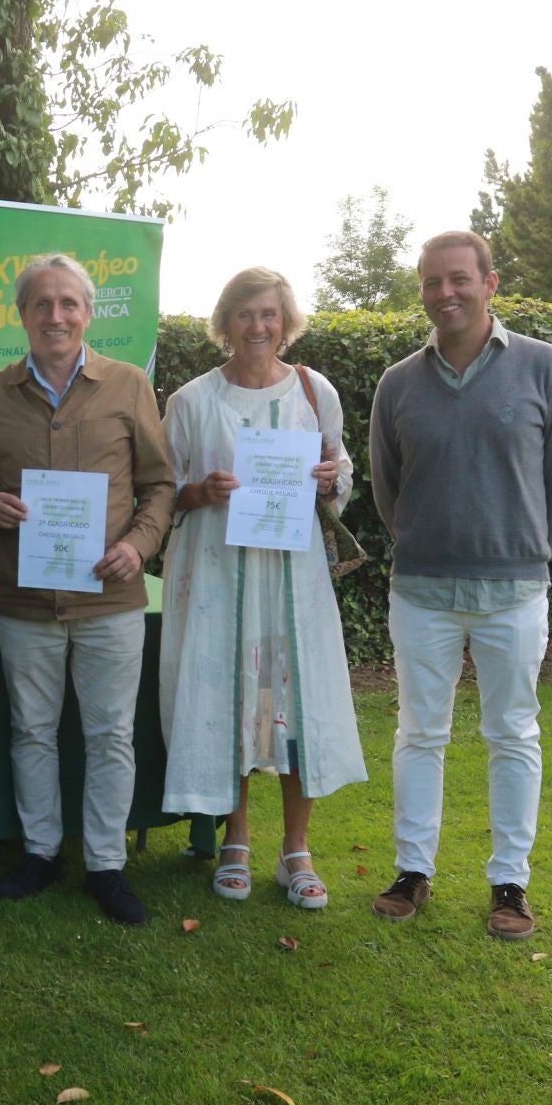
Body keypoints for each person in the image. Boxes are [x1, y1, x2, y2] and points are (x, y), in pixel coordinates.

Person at [368, 230, 552, 939]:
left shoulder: (543, 367)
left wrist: (525, 552)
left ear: (491, 284)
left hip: (514, 593)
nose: (445, 294)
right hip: (422, 591)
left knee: (513, 734)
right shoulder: (398, 383)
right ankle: (412, 869)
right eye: (432, 282)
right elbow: (386, 488)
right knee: (419, 733)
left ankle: (509, 884)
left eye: (459, 279)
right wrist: (425, 543)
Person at [0, 253, 176, 926]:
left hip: (109, 601)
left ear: (87, 313)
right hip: (24, 599)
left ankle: (107, 865)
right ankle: (42, 852)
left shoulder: (129, 385)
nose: (55, 315)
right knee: (32, 731)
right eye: (41, 304)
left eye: (68, 304)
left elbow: (160, 484)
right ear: (22, 315)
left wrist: (137, 548)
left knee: (111, 734)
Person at [157, 267, 368, 908]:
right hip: (219, 576)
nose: (258, 326)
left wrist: (333, 479)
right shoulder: (191, 401)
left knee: (290, 702)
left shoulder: (314, 390)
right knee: (231, 699)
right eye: (246, 314)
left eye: (270, 314)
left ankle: (296, 850)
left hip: (290, 580)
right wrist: (201, 492)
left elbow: (341, 477)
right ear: (226, 322)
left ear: (286, 321)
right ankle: (236, 841)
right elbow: (161, 492)